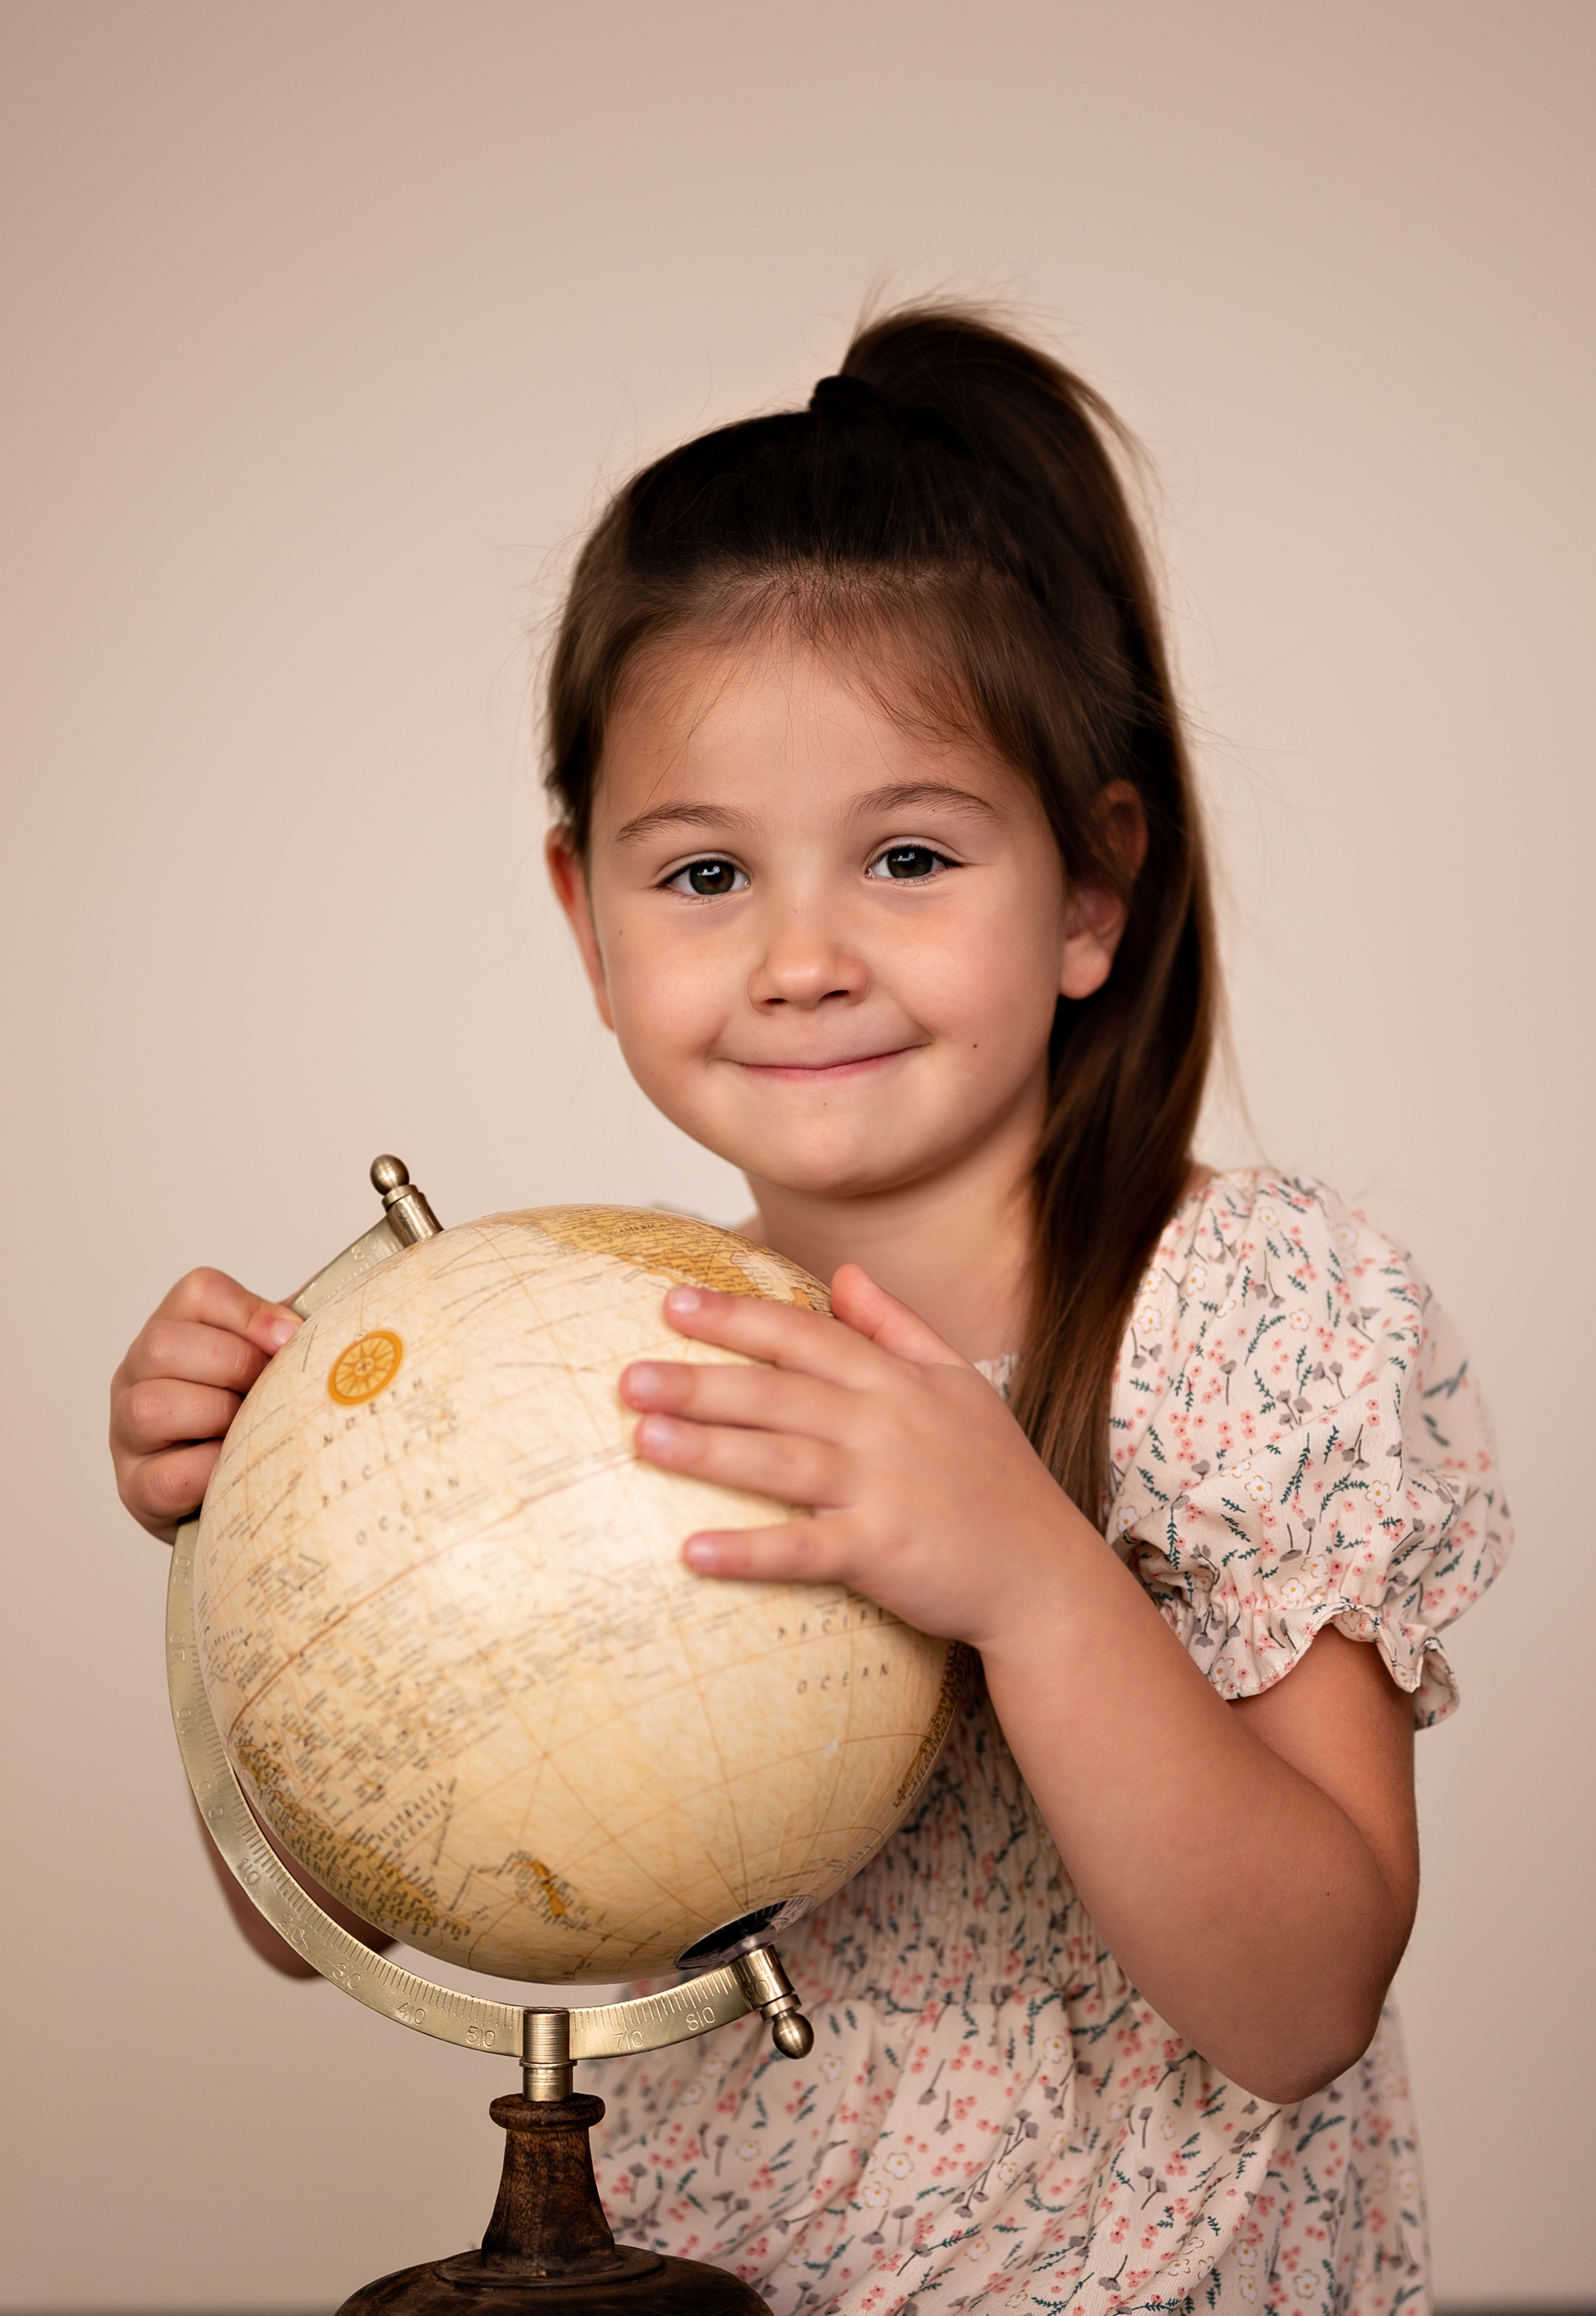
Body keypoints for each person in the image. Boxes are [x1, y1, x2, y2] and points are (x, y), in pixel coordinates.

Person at [110, 305, 1507, 2314]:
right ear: (586, 919)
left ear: (1093, 891)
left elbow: (1302, 2005)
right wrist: (256, 1556)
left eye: (908, 855)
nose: (800, 958)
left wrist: (1030, 1575)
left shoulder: (1252, 1315)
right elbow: (337, 1913)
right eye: (704, 879)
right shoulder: (601, 1372)